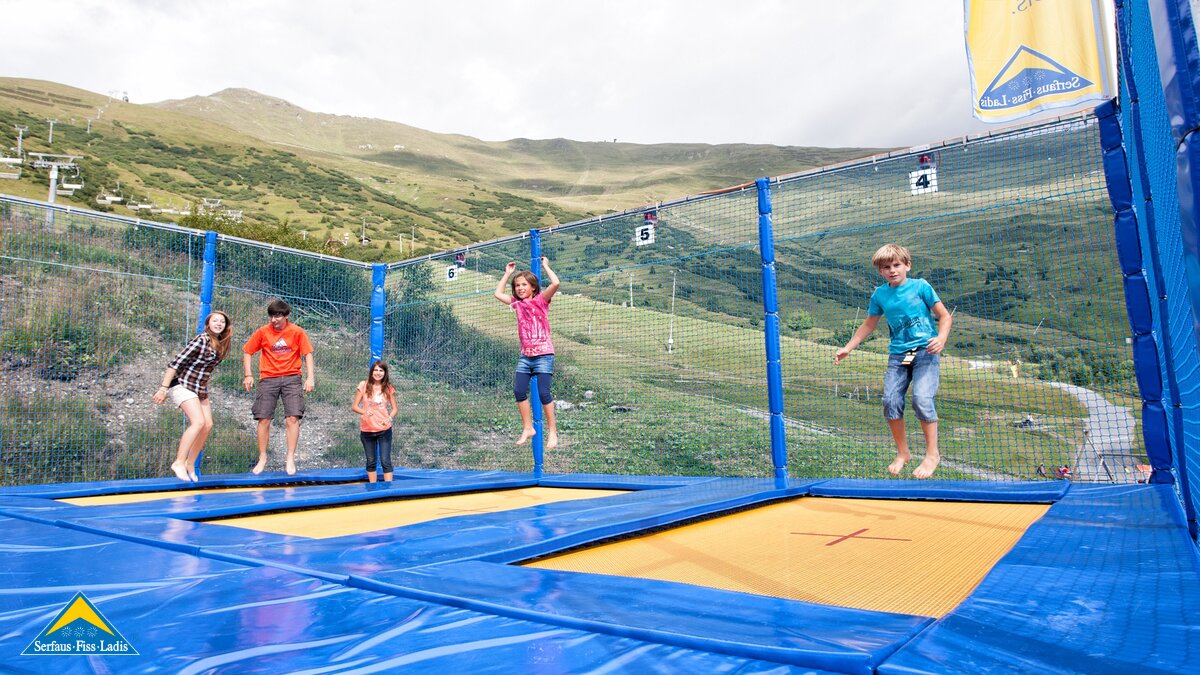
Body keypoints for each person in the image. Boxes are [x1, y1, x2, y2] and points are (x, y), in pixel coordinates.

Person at [834, 244, 952, 479]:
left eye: (897, 265)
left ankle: (932, 455)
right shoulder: (880, 294)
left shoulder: (921, 287)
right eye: (886, 267)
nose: (892, 270)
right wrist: (848, 347)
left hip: (926, 351)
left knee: (921, 398)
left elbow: (945, 316)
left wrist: (941, 338)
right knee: (890, 400)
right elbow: (869, 324)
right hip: (900, 355)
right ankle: (903, 453)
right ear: (880, 271)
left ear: (907, 265)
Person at [152, 311, 233, 482]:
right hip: (182, 384)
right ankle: (179, 462)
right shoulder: (201, 340)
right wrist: (163, 388)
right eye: (215, 321)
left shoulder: (221, 344)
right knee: (198, 422)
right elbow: (175, 363)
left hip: (199, 388)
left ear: (226, 326)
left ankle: (190, 464)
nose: (219, 324)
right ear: (208, 324)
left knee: (208, 425)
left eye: (222, 322)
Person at [494, 257, 561, 448]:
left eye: (524, 285)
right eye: (517, 286)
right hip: (526, 356)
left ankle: (553, 432)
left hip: (543, 355)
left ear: (533, 287)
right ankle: (528, 427)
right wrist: (507, 274)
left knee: (543, 393)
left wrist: (546, 266)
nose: (520, 288)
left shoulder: (542, 301)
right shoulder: (516, 304)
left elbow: (555, 283)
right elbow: (498, 293)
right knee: (518, 390)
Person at [242, 299, 314, 475]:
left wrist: (310, 378)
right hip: (268, 378)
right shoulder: (263, 332)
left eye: (278, 316)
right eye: (272, 316)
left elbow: (308, 354)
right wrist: (248, 374)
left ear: (286, 316)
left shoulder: (297, 332)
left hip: (292, 378)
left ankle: (290, 458)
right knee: (263, 418)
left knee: (292, 418)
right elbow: (247, 351)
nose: (274, 319)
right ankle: (263, 457)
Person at [352, 360, 397, 482]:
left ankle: (389, 491)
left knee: (385, 461)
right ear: (372, 372)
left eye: (381, 370)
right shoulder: (363, 385)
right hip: (367, 430)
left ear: (385, 373)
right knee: (371, 461)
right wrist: (364, 412)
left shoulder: (388, 387)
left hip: (384, 430)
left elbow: (394, 409)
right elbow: (354, 406)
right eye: (376, 370)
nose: (378, 373)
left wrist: (389, 418)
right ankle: (372, 489)